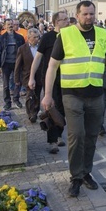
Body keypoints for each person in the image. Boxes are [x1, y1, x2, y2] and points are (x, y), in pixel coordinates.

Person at [41, 1, 106, 198]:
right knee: (76, 135)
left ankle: (86, 172)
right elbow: (52, 67)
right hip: (72, 94)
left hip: (96, 94)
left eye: (92, 14)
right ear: (77, 15)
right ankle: (75, 177)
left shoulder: (104, 35)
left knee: (91, 136)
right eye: (85, 14)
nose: (89, 17)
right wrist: (47, 94)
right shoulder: (66, 35)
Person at [31, 10, 71, 153]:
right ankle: (53, 141)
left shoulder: (70, 36)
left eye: (67, 19)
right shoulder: (48, 37)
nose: (68, 21)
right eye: (64, 19)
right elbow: (38, 58)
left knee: (62, 107)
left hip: (67, 77)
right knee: (52, 107)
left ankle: (59, 134)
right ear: (56, 22)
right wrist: (31, 77)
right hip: (50, 77)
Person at [0, 19, 26, 110]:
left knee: (18, 82)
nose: (10, 26)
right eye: (8, 24)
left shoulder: (19, 38)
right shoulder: (1, 38)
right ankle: (7, 102)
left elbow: (23, 51)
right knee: (6, 85)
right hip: (6, 63)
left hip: (17, 63)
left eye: (12, 24)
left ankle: (16, 99)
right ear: (5, 26)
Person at [14, 27, 43, 121]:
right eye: (34, 37)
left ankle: (35, 110)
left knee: (37, 94)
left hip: (39, 75)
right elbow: (18, 65)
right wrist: (17, 79)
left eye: (38, 37)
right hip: (27, 75)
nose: (36, 39)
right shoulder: (22, 49)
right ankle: (31, 113)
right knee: (30, 94)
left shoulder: (41, 48)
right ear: (29, 38)